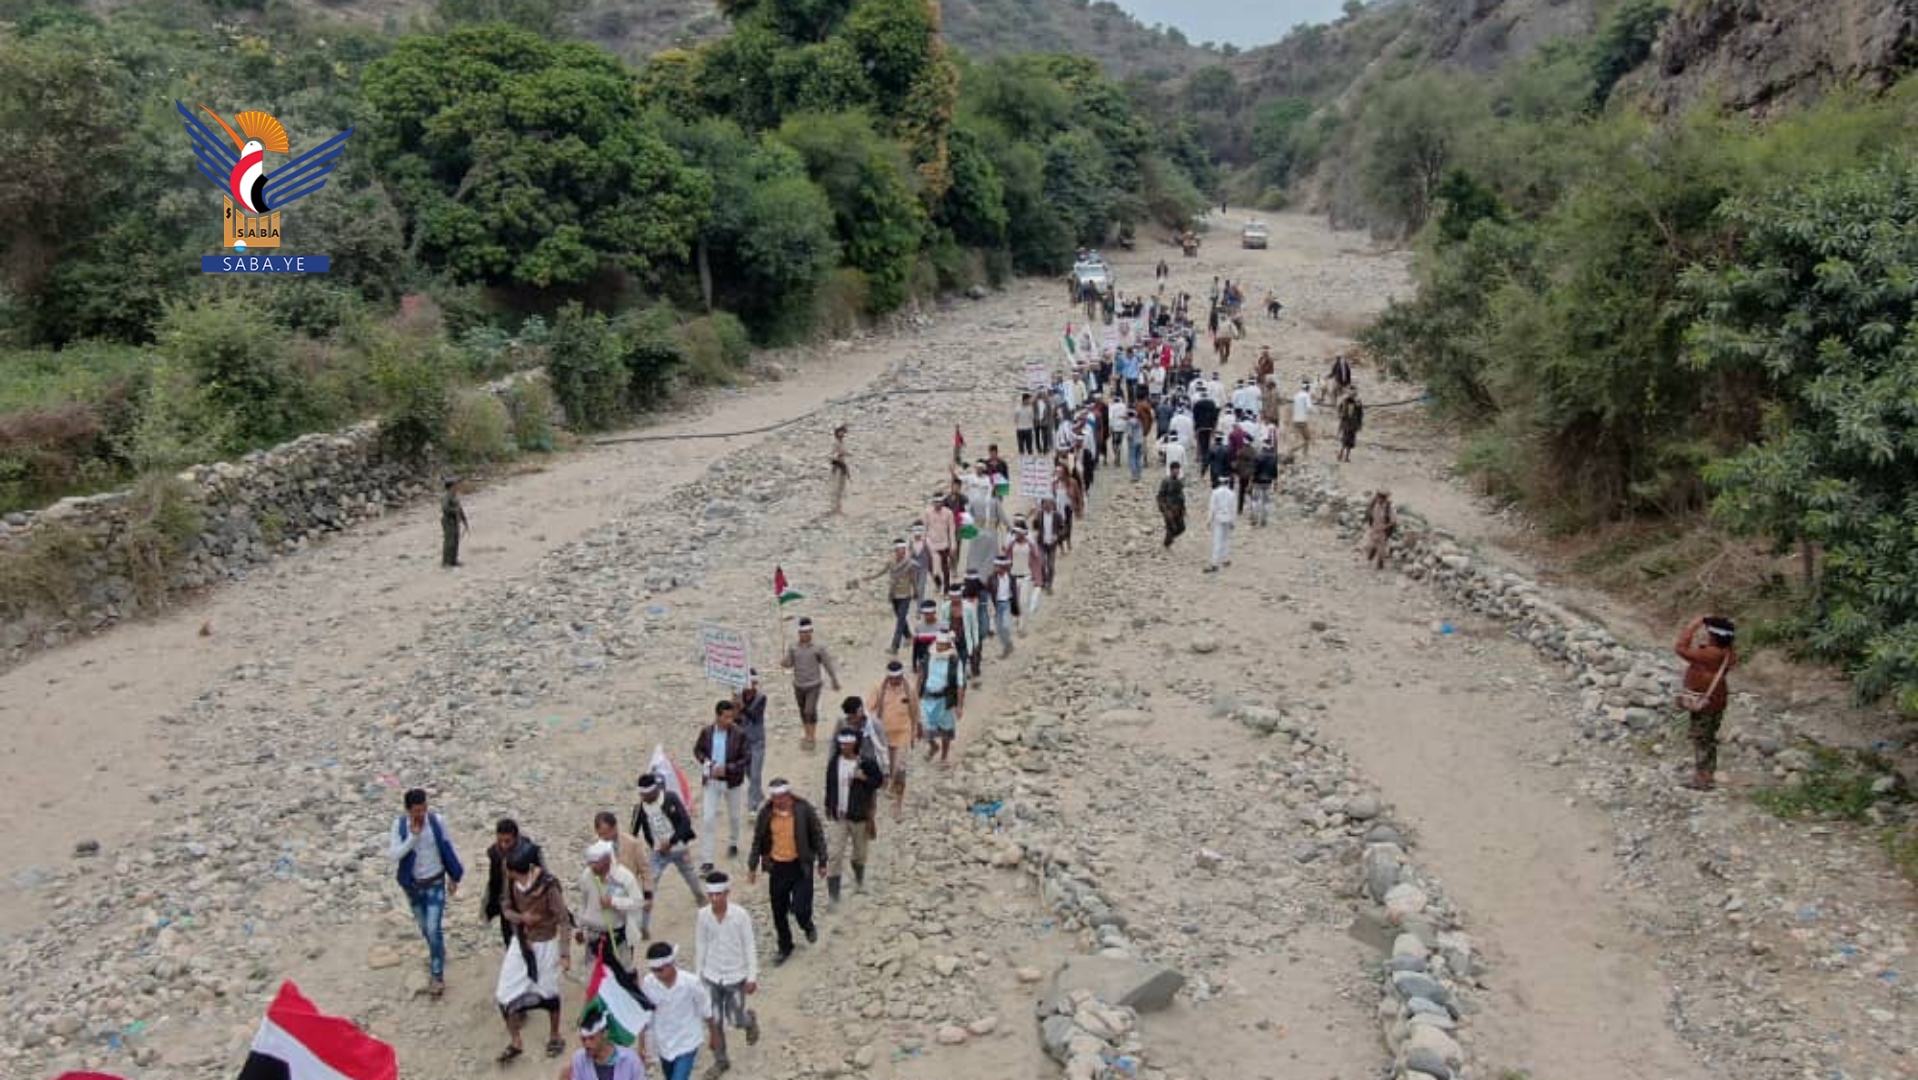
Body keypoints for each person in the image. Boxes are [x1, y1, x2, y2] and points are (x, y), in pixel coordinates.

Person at [387, 788, 463, 998]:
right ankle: (438, 951)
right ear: (408, 810)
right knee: (425, 929)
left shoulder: (437, 822)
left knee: (432, 927)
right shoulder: (399, 826)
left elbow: (447, 847)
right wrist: (413, 837)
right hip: (413, 887)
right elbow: (394, 855)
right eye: (416, 811)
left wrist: (454, 876)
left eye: (423, 809)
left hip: (435, 881)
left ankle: (437, 975)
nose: (421, 815)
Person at [497, 848, 571, 1062]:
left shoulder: (548, 886)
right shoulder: (511, 883)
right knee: (504, 993)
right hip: (521, 943)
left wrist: (564, 953)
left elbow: (564, 919)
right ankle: (516, 1041)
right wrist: (522, 918)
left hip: (546, 945)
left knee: (549, 991)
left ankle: (555, 1035)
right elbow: (506, 908)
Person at [747, 779, 828, 965]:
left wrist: (822, 861)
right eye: (774, 797)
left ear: (788, 795)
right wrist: (752, 866)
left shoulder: (803, 809)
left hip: (800, 867)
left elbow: (817, 835)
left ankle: (807, 925)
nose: (778, 801)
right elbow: (758, 841)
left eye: (781, 796)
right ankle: (785, 946)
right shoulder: (766, 813)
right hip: (778, 869)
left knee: (801, 908)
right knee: (778, 912)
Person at [694, 872, 759, 1077]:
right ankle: (721, 1061)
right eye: (711, 895)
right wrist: (699, 976)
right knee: (715, 1020)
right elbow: (701, 944)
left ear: (727, 893)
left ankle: (748, 1021)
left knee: (735, 1019)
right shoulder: (703, 915)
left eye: (719, 894)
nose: (714, 899)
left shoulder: (740, 915)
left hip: (735, 977)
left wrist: (751, 976)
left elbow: (749, 945)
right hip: (712, 976)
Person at [822, 726, 886, 904]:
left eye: (848, 744)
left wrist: (863, 778)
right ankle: (834, 898)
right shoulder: (834, 763)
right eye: (841, 744)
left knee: (859, 853)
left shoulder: (866, 762)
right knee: (834, 855)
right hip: (839, 816)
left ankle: (859, 881)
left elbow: (879, 782)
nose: (844, 748)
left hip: (859, 816)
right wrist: (828, 805)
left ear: (855, 744)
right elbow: (829, 785)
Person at [633, 772, 707, 922]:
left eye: (646, 794)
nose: (644, 798)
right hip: (657, 853)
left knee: (690, 876)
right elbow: (632, 833)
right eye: (642, 795)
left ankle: (701, 899)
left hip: (679, 848)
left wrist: (671, 841)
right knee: (649, 884)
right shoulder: (639, 809)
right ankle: (643, 923)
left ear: (655, 790)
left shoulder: (670, 798)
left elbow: (685, 822)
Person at [1675, 617, 1737, 792]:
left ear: (1714, 636)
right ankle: (1707, 774)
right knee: (1708, 738)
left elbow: (1680, 648)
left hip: (1704, 703)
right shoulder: (1728, 653)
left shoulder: (1710, 654)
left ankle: (1702, 779)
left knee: (1701, 739)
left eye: (1709, 632)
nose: (1706, 635)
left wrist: (1691, 626)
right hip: (1717, 700)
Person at [639, 942, 716, 1080]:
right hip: (664, 1044)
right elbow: (644, 1016)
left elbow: (706, 1009)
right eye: (653, 970)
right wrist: (642, 1045)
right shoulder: (649, 983)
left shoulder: (690, 982)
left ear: (670, 964)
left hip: (687, 1042)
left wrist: (714, 1035)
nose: (657, 974)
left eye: (660, 970)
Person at [694, 700, 751, 871]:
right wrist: (707, 762)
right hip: (711, 781)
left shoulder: (739, 734)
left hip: (732, 782)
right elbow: (698, 750)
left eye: (731, 717)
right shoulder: (706, 732)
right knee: (708, 819)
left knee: (734, 816)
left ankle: (733, 841)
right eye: (726, 717)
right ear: (717, 716)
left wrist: (727, 769)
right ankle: (707, 860)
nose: (729, 721)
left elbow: (746, 757)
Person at [576, 840, 643, 979]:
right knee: (595, 977)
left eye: (595, 862)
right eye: (590, 863)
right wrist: (579, 927)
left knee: (624, 974)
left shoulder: (624, 877)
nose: (591, 866)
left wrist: (614, 902)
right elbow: (583, 902)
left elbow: (637, 902)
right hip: (593, 935)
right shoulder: (586, 875)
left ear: (606, 860)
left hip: (616, 936)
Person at [866, 662, 920, 821]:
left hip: (904, 732)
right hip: (883, 735)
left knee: (900, 768)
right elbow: (868, 709)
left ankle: (898, 806)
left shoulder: (909, 689)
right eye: (892, 678)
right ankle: (888, 782)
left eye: (898, 678)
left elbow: (915, 708)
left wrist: (919, 726)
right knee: (887, 766)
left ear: (902, 675)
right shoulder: (878, 688)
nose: (895, 681)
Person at [781, 617, 841, 754]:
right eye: (803, 632)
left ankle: (811, 738)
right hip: (798, 684)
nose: (805, 635)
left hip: (814, 685)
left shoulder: (818, 648)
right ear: (799, 633)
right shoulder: (793, 647)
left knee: (809, 711)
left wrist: (834, 680)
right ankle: (807, 734)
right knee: (803, 711)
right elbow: (790, 663)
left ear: (811, 632)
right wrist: (784, 662)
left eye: (808, 632)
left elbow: (827, 664)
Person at [593, 811, 654, 942]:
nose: (603, 837)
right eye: (600, 835)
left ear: (615, 827)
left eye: (606, 833)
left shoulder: (632, 844)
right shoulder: (597, 848)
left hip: (628, 896)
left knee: (629, 935)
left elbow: (645, 870)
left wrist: (648, 895)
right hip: (609, 897)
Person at [485, 819, 544, 949]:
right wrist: (490, 905)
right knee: (511, 943)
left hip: (528, 904)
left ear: (516, 837)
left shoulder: (530, 852)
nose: (504, 845)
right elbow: (494, 880)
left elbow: (543, 876)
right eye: (500, 841)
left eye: (507, 841)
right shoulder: (495, 853)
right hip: (507, 905)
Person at [919, 631, 966, 769]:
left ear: (947, 646)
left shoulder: (954, 661)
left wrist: (959, 706)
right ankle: (933, 746)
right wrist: (916, 694)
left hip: (945, 698)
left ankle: (944, 757)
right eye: (938, 644)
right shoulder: (929, 656)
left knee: (946, 729)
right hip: (928, 696)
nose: (939, 647)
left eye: (942, 645)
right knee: (926, 728)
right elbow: (921, 676)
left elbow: (960, 684)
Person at [560, 1012, 644, 1080]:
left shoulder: (630, 1059)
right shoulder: (579, 1059)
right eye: (583, 1039)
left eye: (591, 1038)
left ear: (605, 1033)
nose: (587, 1044)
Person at [732, 671, 771, 810]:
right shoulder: (738, 698)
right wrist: (735, 708)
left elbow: (755, 717)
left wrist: (742, 707)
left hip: (757, 742)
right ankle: (759, 796)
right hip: (744, 744)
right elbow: (735, 721)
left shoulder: (761, 698)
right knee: (749, 774)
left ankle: (752, 806)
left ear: (755, 683)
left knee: (755, 775)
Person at [1205, 475, 1237, 573]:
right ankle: (1225, 560)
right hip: (1228, 519)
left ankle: (1215, 563)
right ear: (1228, 482)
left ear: (1220, 482)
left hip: (1218, 519)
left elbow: (1212, 507)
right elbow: (1233, 509)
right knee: (1226, 540)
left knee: (1217, 541)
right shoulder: (1232, 494)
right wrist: (1233, 522)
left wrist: (1209, 520)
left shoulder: (1215, 492)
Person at [1362, 490, 1396, 570]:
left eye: (1382, 498)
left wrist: (1384, 527)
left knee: (1381, 549)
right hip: (1374, 528)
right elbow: (1369, 515)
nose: (1380, 499)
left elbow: (1393, 521)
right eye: (1379, 497)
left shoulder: (1389, 507)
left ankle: (1380, 566)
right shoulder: (1374, 504)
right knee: (1371, 545)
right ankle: (1369, 560)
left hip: (1383, 531)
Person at [1250, 437, 1279, 528]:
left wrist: (1250, 482)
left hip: (1257, 481)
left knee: (1255, 500)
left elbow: (1254, 471)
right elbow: (1275, 471)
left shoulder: (1258, 456)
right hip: (1268, 481)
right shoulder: (1274, 457)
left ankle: (1254, 518)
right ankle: (1264, 520)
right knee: (1266, 502)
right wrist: (1275, 482)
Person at [1158, 461, 1187, 550]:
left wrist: (1184, 509)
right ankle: (1166, 545)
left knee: (1182, 528)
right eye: (1175, 469)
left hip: (1178, 509)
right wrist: (1165, 510)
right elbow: (1160, 496)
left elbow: (1181, 495)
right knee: (1172, 528)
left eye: (1178, 469)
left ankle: (1168, 540)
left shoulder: (1178, 481)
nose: (1177, 471)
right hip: (1169, 509)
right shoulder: (1166, 481)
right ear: (1171, 470)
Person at [441, 476, 469, 568]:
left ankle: (453, 561)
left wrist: (465, 521)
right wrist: (454, 510)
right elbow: (445, 508)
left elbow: (460, 509)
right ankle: (446, 562)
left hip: (454, 521)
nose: (458, 485)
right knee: (449, 541)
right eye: (456, 484)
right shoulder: (447, 496)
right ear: (452, 486)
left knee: (455, 541)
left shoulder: (454, 495)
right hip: (448, 521)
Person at [1337, 389, 1364, 463]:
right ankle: (1342, 454)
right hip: (1347, 423)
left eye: (1353, 394)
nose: (1352, 395)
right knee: (1345, 439)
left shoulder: (1357, 403)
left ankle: (1345, 456)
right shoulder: (1345, 401)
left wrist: (1359, 424)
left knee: (1350, 441)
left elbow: (1360, 414)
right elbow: (1339, 409)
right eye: (1351, 394)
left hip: (1352, 424)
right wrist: (1340, 416)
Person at [829, 426, 850, 516]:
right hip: (837, 466)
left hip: (842, 466)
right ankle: (834, 508)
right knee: (836, 488)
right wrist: (838, 455)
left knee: (841, 488)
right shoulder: (834, 443)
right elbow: (831, 455)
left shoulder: (842, 442)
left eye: (843, 432)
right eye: (840, 432)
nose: (842, 434)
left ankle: (839, 508)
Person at [1291, 380, 1314, 459]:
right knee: (1307, 438)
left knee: (1299, 438)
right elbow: (1309, 408)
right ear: (1308, 387)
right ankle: (1298, 451)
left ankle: (1303, 453)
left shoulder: (1296, 395)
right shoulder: (1306, 395)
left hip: (1295, 419)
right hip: (1303, 420)